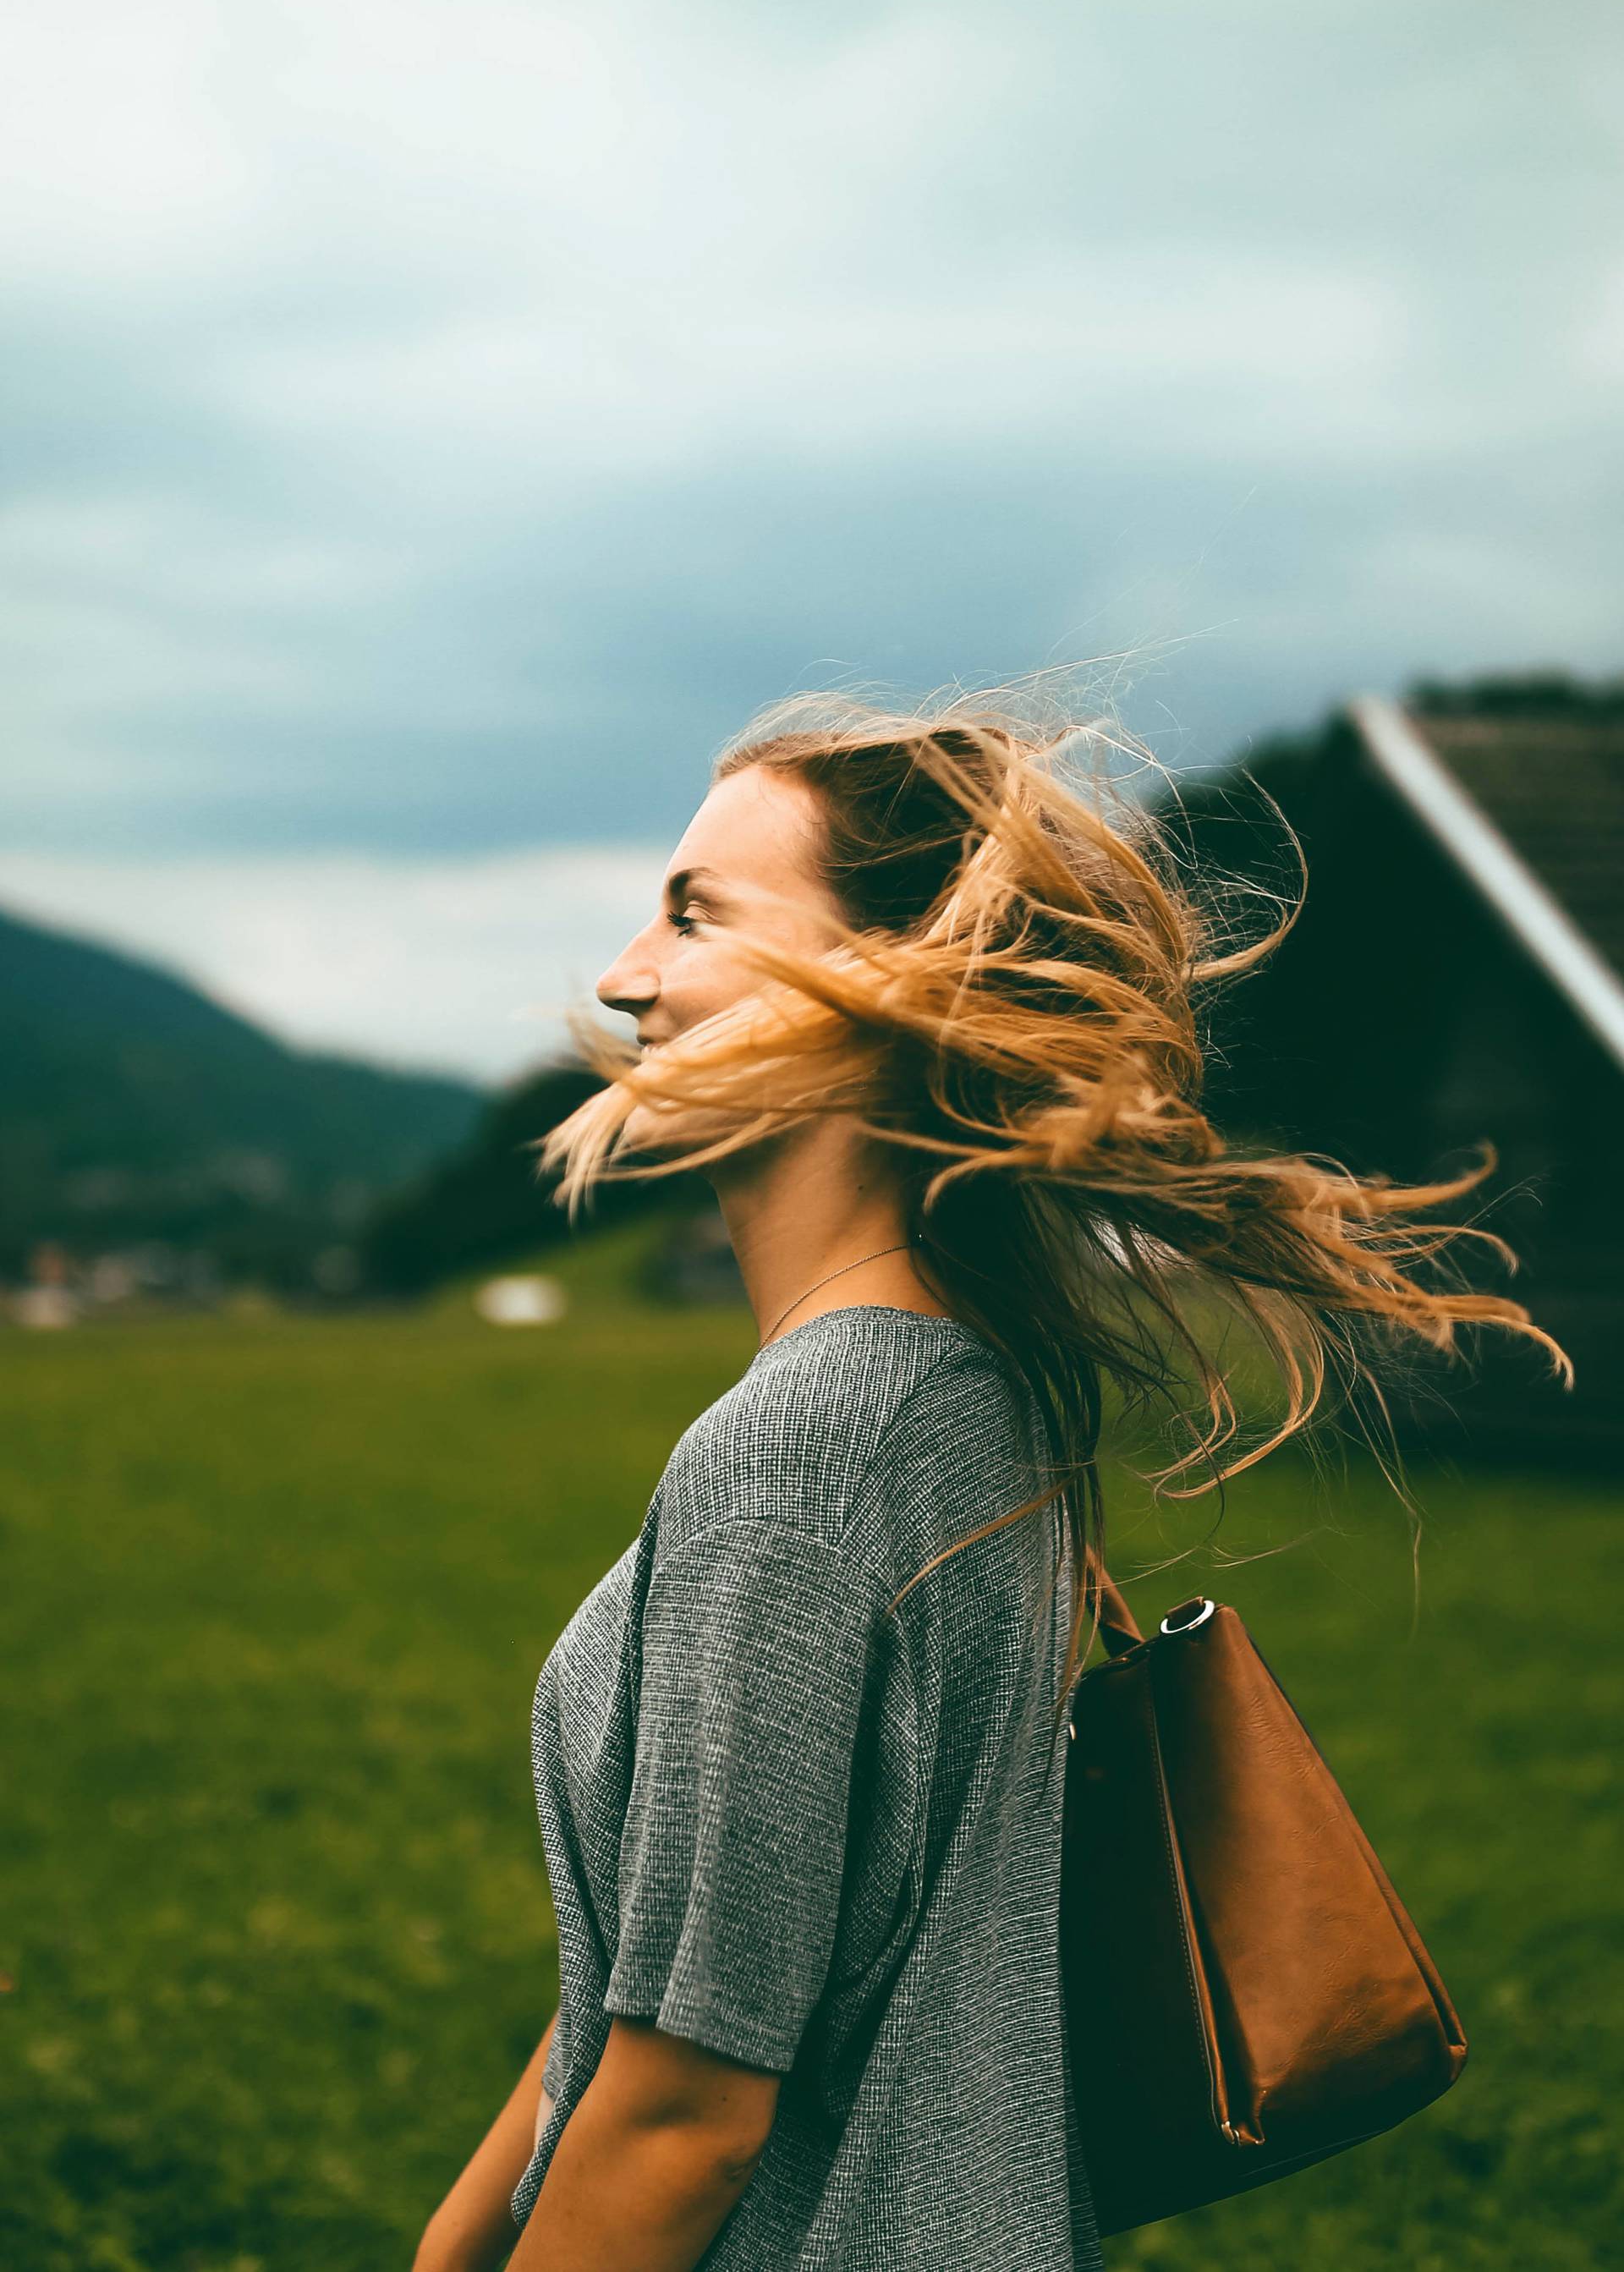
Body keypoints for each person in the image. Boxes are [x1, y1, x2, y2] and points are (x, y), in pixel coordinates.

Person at [411, 683, 1566, 2272]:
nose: (624, 981)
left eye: (694, 915)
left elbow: (689, 2099)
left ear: (886, 983)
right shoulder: (986, 1388)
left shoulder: (801, 1455)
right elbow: (653, 1985)